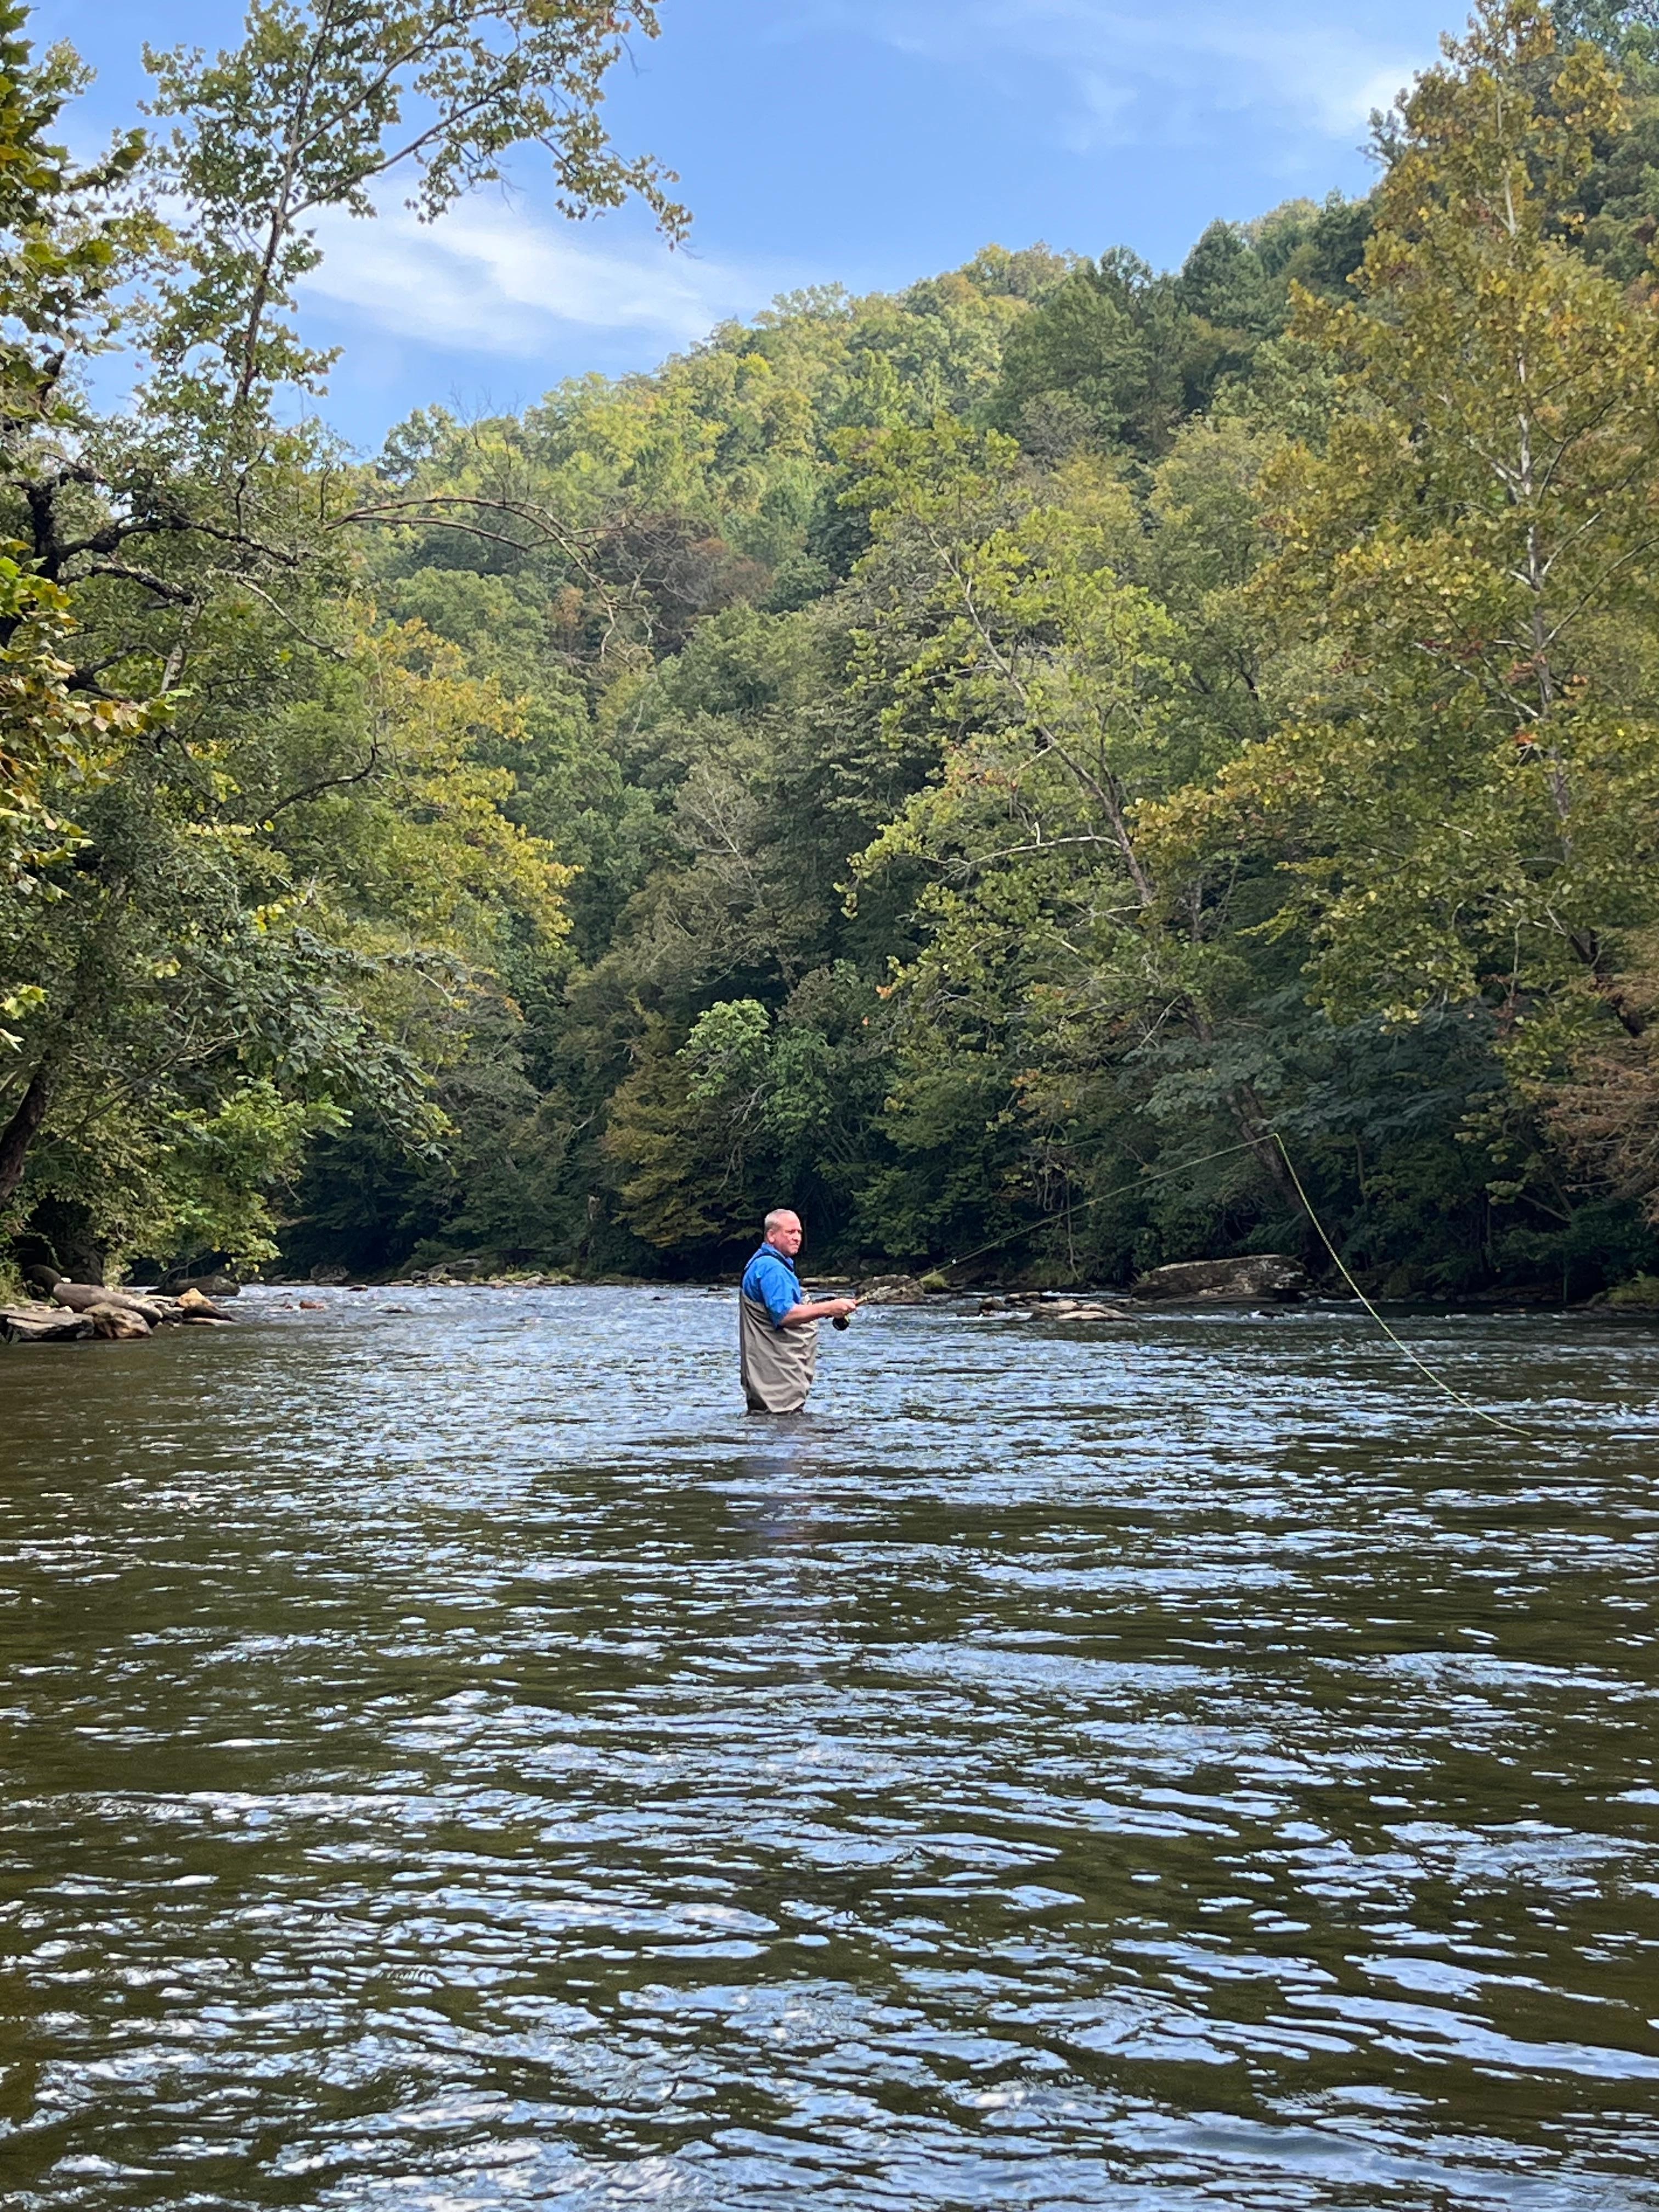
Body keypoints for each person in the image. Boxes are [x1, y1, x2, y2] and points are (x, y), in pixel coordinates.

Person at [738, 1208, 857, 1414]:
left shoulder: (765, 1264)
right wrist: (829, 1307)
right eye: (790, 1232)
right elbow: (785, 1315)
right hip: (777, 1386)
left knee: (766, 1427)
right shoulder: (771, 1268)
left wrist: (825, 1308)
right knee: (788, 1435)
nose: (797, 1238)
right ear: (771, 1236)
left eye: (799, 1233)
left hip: (767, 1381)